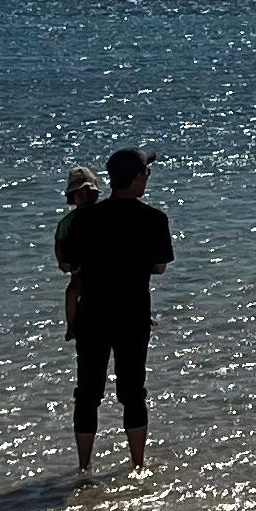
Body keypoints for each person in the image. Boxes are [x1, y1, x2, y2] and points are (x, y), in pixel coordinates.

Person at [54, 146, 172, 473]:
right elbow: (160, 267)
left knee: (87, 394)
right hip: (133, 316)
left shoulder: (85, 219)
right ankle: (137, 465)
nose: (147, 177)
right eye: (146, 173)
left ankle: (83, 467)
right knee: (133, 393)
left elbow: (70, 264)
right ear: (137, 178)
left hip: (92, 315)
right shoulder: (154, 219)